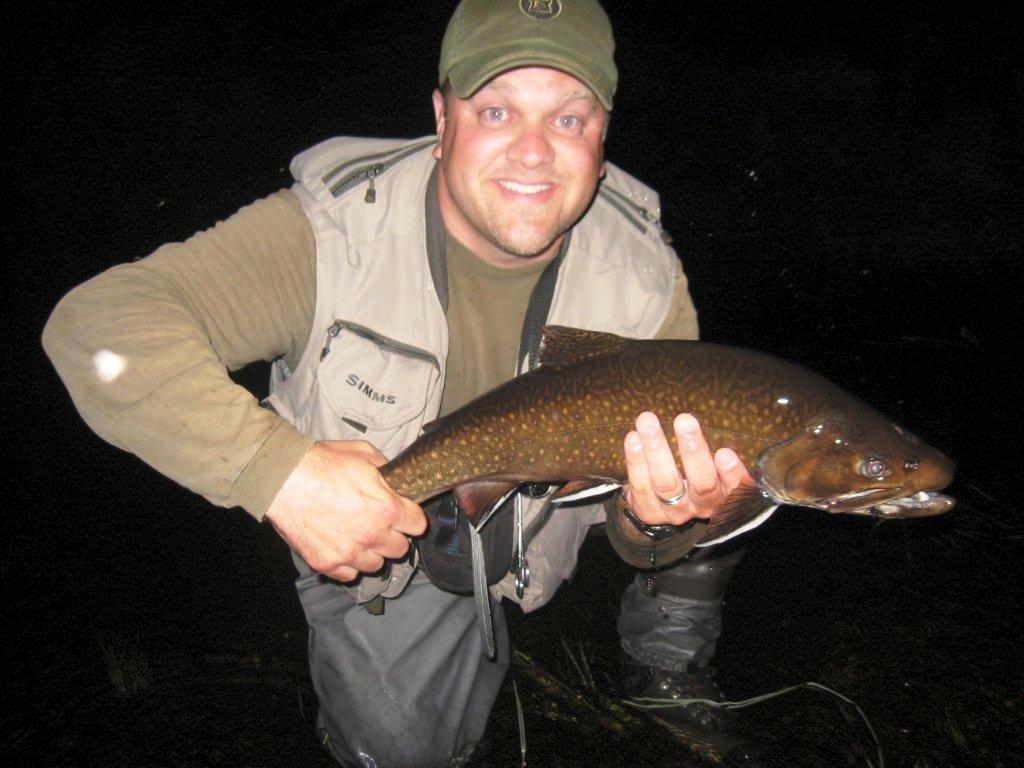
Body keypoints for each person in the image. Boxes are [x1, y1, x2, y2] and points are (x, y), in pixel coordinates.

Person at [43, 1, 768, 765]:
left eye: (568, 121)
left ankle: (667, 668)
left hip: (558, 511)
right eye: (496, 111)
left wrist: (659, 523)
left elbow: (634, 534)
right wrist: (277, 472)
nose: (533, 154)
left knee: (740, 475)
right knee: (403, 748)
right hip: (397, 528)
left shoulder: (647, 279)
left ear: (602, 135)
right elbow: (96, 329)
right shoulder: (330, 234)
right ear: (441, 118)